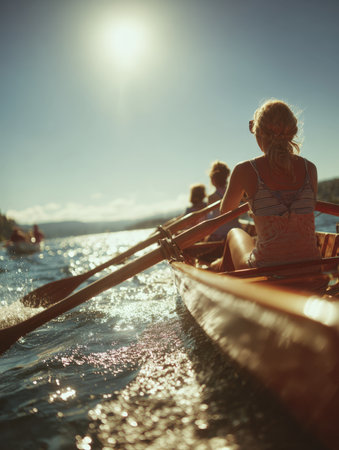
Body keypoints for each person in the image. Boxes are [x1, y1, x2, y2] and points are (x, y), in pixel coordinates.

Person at [214, 99, 320, 271]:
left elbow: (225, 210)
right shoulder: (311, 169)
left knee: (234, 233)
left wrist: (251, 200)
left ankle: (223, 282)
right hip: (312, 267)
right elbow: (310, 206)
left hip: (267, 268)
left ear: (258, 132)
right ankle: (219, 270)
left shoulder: (245, 170)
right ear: (292, 132)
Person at [206, 161, 240, 241]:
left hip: (219, 236)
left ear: (212, 179)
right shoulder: (235, 193)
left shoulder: (211, 197)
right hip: (236, 232)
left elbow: (210, 218)